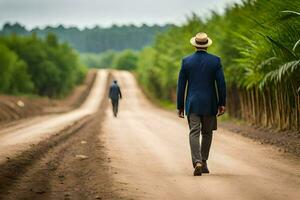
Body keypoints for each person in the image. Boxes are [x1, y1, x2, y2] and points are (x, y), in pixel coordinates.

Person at [177, 32, 226, 176]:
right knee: (207, 133)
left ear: (195, 45)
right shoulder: (215, 61)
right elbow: (221, 83)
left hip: (192, 102)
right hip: (210, 103)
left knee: (194, 132)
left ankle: (197, 161)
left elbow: (181, 86)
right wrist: (222, 102)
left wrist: (180, 105)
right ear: (207, 45)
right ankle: (203, 162)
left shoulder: (186, 61)